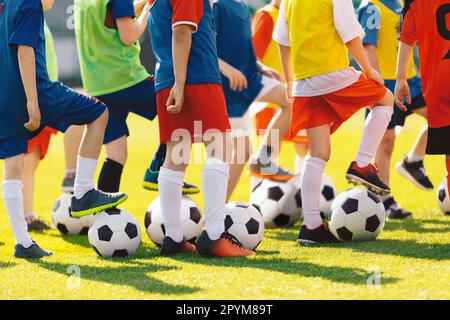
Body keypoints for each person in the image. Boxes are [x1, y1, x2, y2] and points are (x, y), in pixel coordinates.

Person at [0, 0, 127, 258]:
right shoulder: (29, 3)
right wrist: (33, 102)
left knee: (12, 166)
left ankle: (23, 242)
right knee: (99, 113)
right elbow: (24, 50)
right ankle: (82, 191)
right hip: (38, 91)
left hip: (5, 95)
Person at [276, 0, 395, 243]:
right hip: (330, 73)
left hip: (303, 82)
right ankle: (362, 164)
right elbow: (350, 35)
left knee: (318, 152)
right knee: (385, 99)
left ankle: (311, 226)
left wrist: (289, 80)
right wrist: (368, 69)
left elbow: (282, 40)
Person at [148, 0, 253, 257]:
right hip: (197, 78)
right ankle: (215, 236)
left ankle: (173, 238)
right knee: (221, 148)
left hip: (167, 80)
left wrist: (176, 83)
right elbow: (181, 32)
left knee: (175, 158)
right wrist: (182, 84)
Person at [358, 0, 433, 220]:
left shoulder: (400, 4)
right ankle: (383, 198)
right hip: (385, 83)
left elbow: (406, 40)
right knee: (386, 140)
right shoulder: (370, 6)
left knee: (441, 117)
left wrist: (416, 70)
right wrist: (376, 81)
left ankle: (413, 160)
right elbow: (367, 46)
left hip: (410, 81)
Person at [212, 0, 294, 200]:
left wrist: (260, 67)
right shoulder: (217, 7)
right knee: (241, 152)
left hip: (251, 78)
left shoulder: (241, 7)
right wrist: (228, 70)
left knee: (292, 100)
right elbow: (204, 48)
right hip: (229, 87)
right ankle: (215, 212)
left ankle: (264, 157)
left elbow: (246, 50)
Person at [396, 0, 450, 200]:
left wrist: (401, 78)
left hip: (438, 89)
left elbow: (405, 38)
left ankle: (414, 160)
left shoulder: (415, 3)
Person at [251, 0, 308, 176]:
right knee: (270, 154)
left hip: (296, 93)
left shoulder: (297, 15)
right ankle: (259, 199)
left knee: (305, 145)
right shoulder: (267, 15)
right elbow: (253, 56)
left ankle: (302, 191)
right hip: (271, 101)